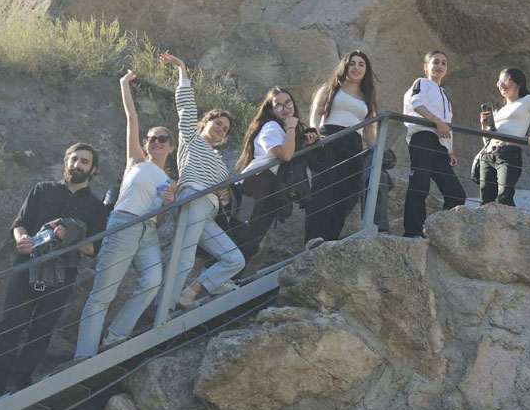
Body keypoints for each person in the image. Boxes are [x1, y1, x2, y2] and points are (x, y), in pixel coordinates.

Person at [0, 144, 108, 396]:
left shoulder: (97, 208)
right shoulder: (42, 190)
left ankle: (19, 383)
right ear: (66, 162)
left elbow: (92, 249)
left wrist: (72, 236)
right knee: (11, 324)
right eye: (73, 159)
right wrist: (22, 239)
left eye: (84, 161)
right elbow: (20, 223)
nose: (77, 165)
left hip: (63, 273)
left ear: (93, 170)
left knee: (42, 329)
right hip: (28, 264)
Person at [75, 71, 176, 358]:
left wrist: (168, 203)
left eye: (162, 139)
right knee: (103, 293)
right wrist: (123, 84)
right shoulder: (136, 160)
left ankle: (115, 336)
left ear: (171, 147)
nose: (156, 142)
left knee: (153, 282)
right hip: (124, 224)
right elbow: (131, 118)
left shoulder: (171, 182)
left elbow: (160, 219)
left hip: (148, 232)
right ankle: (84, 356)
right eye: (151, 139)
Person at [155, 54, 246, 311]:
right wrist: (182, 68)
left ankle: (187, 294)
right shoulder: (191, 140)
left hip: (208, 211)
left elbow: (225, 190)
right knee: (183, 258)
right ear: (205, 122)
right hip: (193, 199)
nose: (221, 129)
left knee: (234, 259)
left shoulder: (219, 161)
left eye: (225, 129)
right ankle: (163, 310)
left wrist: (225, 194)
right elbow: (186, 106)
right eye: (218, 123)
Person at [231, 87, 318, 259]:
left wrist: (303, 142)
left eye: (288, 103)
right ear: (271, 110)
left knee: (253, 239)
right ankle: (221, 273)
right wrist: (292, 127)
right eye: (278, 105)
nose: (285, 108)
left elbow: (289, 153)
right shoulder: (270, 127)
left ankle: (233, 274)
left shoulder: (283, 130)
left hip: (269, 187)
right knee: (241, 233)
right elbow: (285, 155)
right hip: (253, 185)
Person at [304, 50, 378, 243]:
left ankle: (329, 239)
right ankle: (313, 238)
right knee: (323, 188)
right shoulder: (331, 88)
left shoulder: (367, 98)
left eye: (361, 64)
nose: (356, 68)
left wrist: (376, 151)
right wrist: (316, 135)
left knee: (346, 192)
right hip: (329, 139)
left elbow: (370, 129)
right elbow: (316, 111)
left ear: (366, 70)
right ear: (345, 66)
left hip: (353, 145)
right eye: (352, 63)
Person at [402, 50, 466, 237]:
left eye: (444, 63)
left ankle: (441, 233)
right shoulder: (422, 83)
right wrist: (436, 121)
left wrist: (449, 150)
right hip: (422, 137)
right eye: (435, 62)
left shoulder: (444, 94)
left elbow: (447, 125)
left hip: (440, 145)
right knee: (419, 184)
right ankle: (413, 232)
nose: (440, 66)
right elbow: (416, 103)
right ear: (426, 66)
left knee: (456, 193)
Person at [478, 68, 530, 206]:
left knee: (504, 196)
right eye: (499, 81)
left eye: (505, 80)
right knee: (485, 201)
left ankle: (511, 221)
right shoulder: (500, 109)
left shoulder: (528, 100)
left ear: (519, 83)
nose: (501, 84)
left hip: (509, 153)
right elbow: (487, 141)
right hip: (488, 155)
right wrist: (484, 126)